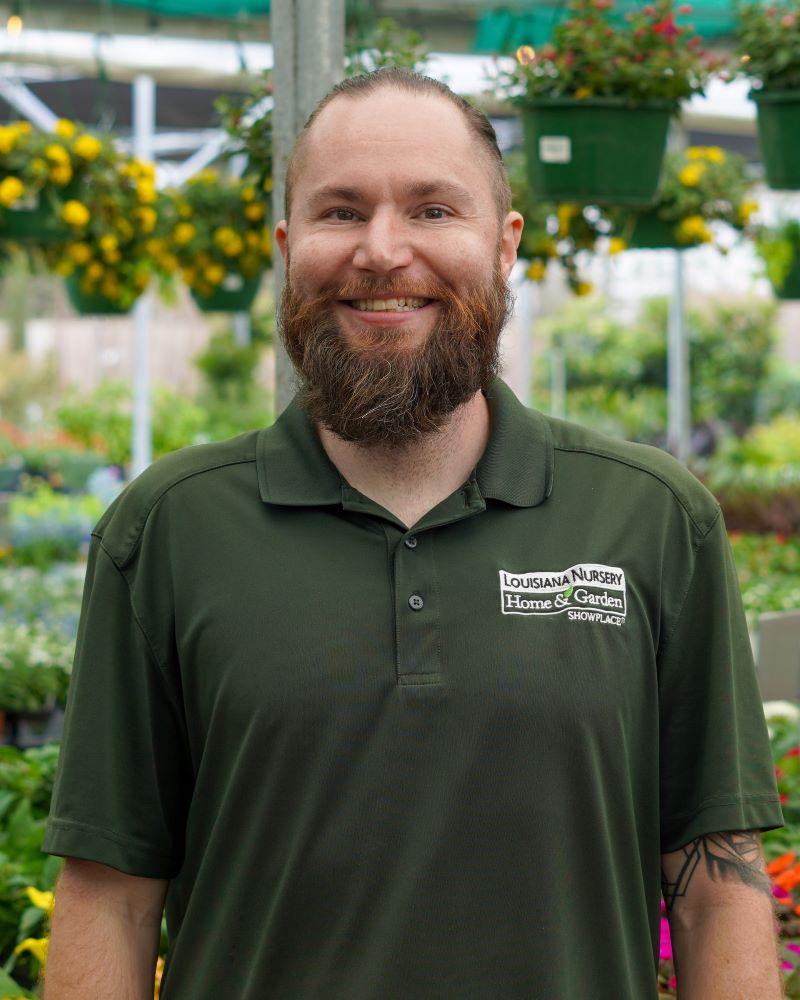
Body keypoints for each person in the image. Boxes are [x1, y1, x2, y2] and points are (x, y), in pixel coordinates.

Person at [42, 69, 783, 1000]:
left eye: (433, 211)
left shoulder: (654, 521)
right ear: (286, 246)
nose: (382, 252)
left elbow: (717, 887)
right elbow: (108, 896)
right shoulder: (167, 533)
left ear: (505, 244)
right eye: (341, 212)